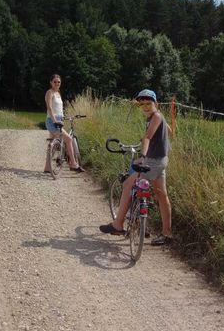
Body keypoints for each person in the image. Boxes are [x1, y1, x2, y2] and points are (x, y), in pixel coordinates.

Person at [99, 89, 173, 245]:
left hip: (152, 161)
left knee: (127, 184)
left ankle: (117, 225)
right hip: (161, 160)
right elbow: (160, 132)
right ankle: (167, 233)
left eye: (148, 103)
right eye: (142, 104)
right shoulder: (157, 117)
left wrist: (144, 155)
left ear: (156, 104)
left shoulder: (156, 116)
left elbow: (147, 137)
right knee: (162, 195)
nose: (145, 107)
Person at [44, 74, 84, 173]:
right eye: (55, 82)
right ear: (51, 82)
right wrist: (54, 120)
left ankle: (47, 167)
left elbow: (58, 109)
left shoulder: (58, 93)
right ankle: (73, 164)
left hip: (59, 120)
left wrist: (62, 117)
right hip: (52, 121)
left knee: (51, 144)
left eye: (59, 82)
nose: (57, 83)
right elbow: (49, 108)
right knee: (69, 139)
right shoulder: (50, 92)